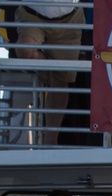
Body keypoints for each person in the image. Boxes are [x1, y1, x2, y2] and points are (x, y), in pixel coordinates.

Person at [15, 3, 85, 145]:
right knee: (24, 50)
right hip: (32, 15)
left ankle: (50, 139)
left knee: (61, 82)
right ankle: (47, 69)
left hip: (70, 19)